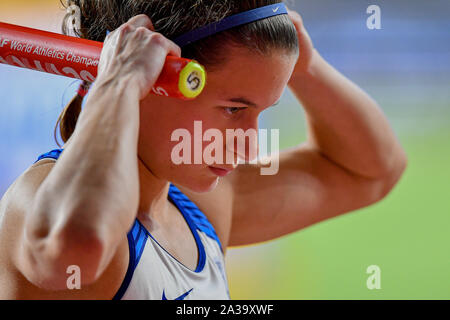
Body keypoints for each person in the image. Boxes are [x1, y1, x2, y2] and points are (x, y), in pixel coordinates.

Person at [0, 0, 407, 300]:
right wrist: (118, 84)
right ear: (150, 79)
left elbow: (372, 171)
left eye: (260, 112)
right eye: (234, 109)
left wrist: (307, 65)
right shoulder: (36, 200)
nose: (249, 146)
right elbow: (77, 247)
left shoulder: (197, 207)